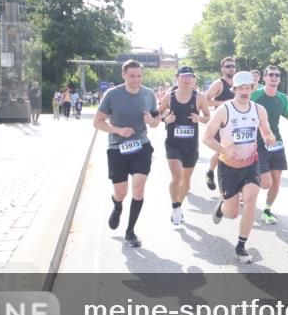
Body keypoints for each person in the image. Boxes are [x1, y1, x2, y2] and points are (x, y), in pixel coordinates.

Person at [202, 71, 276, 263]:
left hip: (251, 163)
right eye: (241, 88)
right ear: (234, 89)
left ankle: (241, 246)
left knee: (251, 200)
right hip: (228, 166)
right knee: (232, 213)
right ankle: (222, 206)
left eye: (248, 88)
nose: (244, 92)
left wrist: (270, 138)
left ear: (252, 88)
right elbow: (206, 138)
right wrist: (224, 150)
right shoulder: (224, 110)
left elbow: (267, 132)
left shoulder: (258, 110)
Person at [93, 59, 162, 248]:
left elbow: (156, 119)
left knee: (138, 188)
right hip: (117, 149)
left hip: (141, 147)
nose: (136, 79)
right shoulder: (112, 95)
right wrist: (118, 130)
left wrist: (152, 121)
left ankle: (130, 231)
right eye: (132, 76)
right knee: (121, 192)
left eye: (139, 76)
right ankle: (117, 205)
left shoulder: (148, 94)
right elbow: (97, 122)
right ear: (123, 75)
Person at [158, 66, 212, 225]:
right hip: (173, 144)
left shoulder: (199, 97)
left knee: (186, 181)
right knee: (177, 177)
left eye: (190, 76)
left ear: (194, 79)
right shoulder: (169, 97)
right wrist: (165, 119)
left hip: (190, 145)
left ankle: (178, 205)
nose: (187, 79)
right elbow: (158, 113)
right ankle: (174, 206)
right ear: (177, 78)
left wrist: (199, 119)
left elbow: (208, 117)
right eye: (184, 76)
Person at [251, 65, 288, 225]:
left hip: (277, 143)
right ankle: (245, 183)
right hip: (257, 144)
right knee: (265, 183)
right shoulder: (255, 95)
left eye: (277, 75)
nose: (274, 77)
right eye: (271, 75)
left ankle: (267, 211)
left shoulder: (282, 98)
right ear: (264, 78)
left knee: (276, 180)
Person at [204, 57, 238, 190]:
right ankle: (216, 176)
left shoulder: (238, 82)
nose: (231, 69)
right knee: (223, 151)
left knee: (235, 151)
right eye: (228, 66)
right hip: (222, 123)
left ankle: (211, 172)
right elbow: (204, 101)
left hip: (237, 123)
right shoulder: (219, 83)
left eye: (233, 66)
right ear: (222, 69)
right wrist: (222, 103)